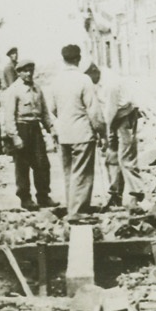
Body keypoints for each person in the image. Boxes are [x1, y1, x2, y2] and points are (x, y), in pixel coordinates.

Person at [49, 44, 105, 221]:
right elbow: (93, 111)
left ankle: (72, 208)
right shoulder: (83, 80)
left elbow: (52, 108)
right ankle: (78, 212)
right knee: (83, 173)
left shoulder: (55, 81)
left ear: (63, 59)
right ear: (78, 59)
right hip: (81, 133)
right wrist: (101, 132)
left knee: (69, 173)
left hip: (63, 134)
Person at [86, 63, 145, 209]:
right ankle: (115, 195)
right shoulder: (94, 82)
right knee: (111, 157)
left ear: (94, 71)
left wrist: (103, 133)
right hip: (112, 119)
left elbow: (109, 110)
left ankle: (137, 195)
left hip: (125, 117)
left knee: (126, 158)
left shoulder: (110, 83)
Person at [1, 57, 55, 210]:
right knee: (22, 166)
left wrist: (51, 129)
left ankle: (43, 196)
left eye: (31, 70)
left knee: (42, 164)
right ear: (18, 73)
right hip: (21, 128)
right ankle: (25, 198)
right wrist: (15, 136)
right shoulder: (14, 90)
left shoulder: (37, 89)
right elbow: (9, 116)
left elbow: (44, 112)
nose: (29, 73)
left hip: (35, 128)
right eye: (25, 71)